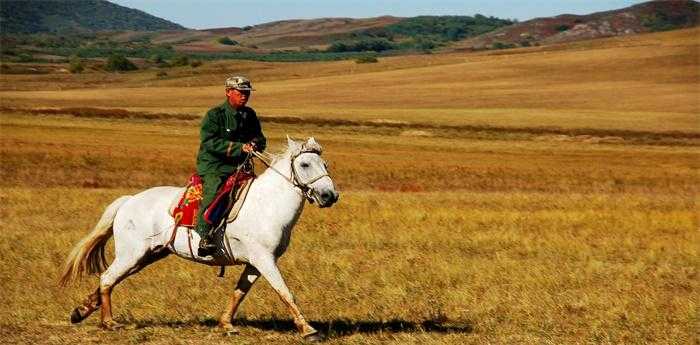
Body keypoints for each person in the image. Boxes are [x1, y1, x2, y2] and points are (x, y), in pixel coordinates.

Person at [195, 76, 266, 256]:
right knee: (215, 190)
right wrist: (238, 147)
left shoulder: (249, 114)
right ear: (228, 92)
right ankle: (204, 235)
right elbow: (209, 141)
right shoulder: (215, 115)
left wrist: (255, 143)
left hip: (240, 166)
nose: (245, 96)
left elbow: (260, 137)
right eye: (240, 93)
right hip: (214, 165)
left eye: (247, 93)